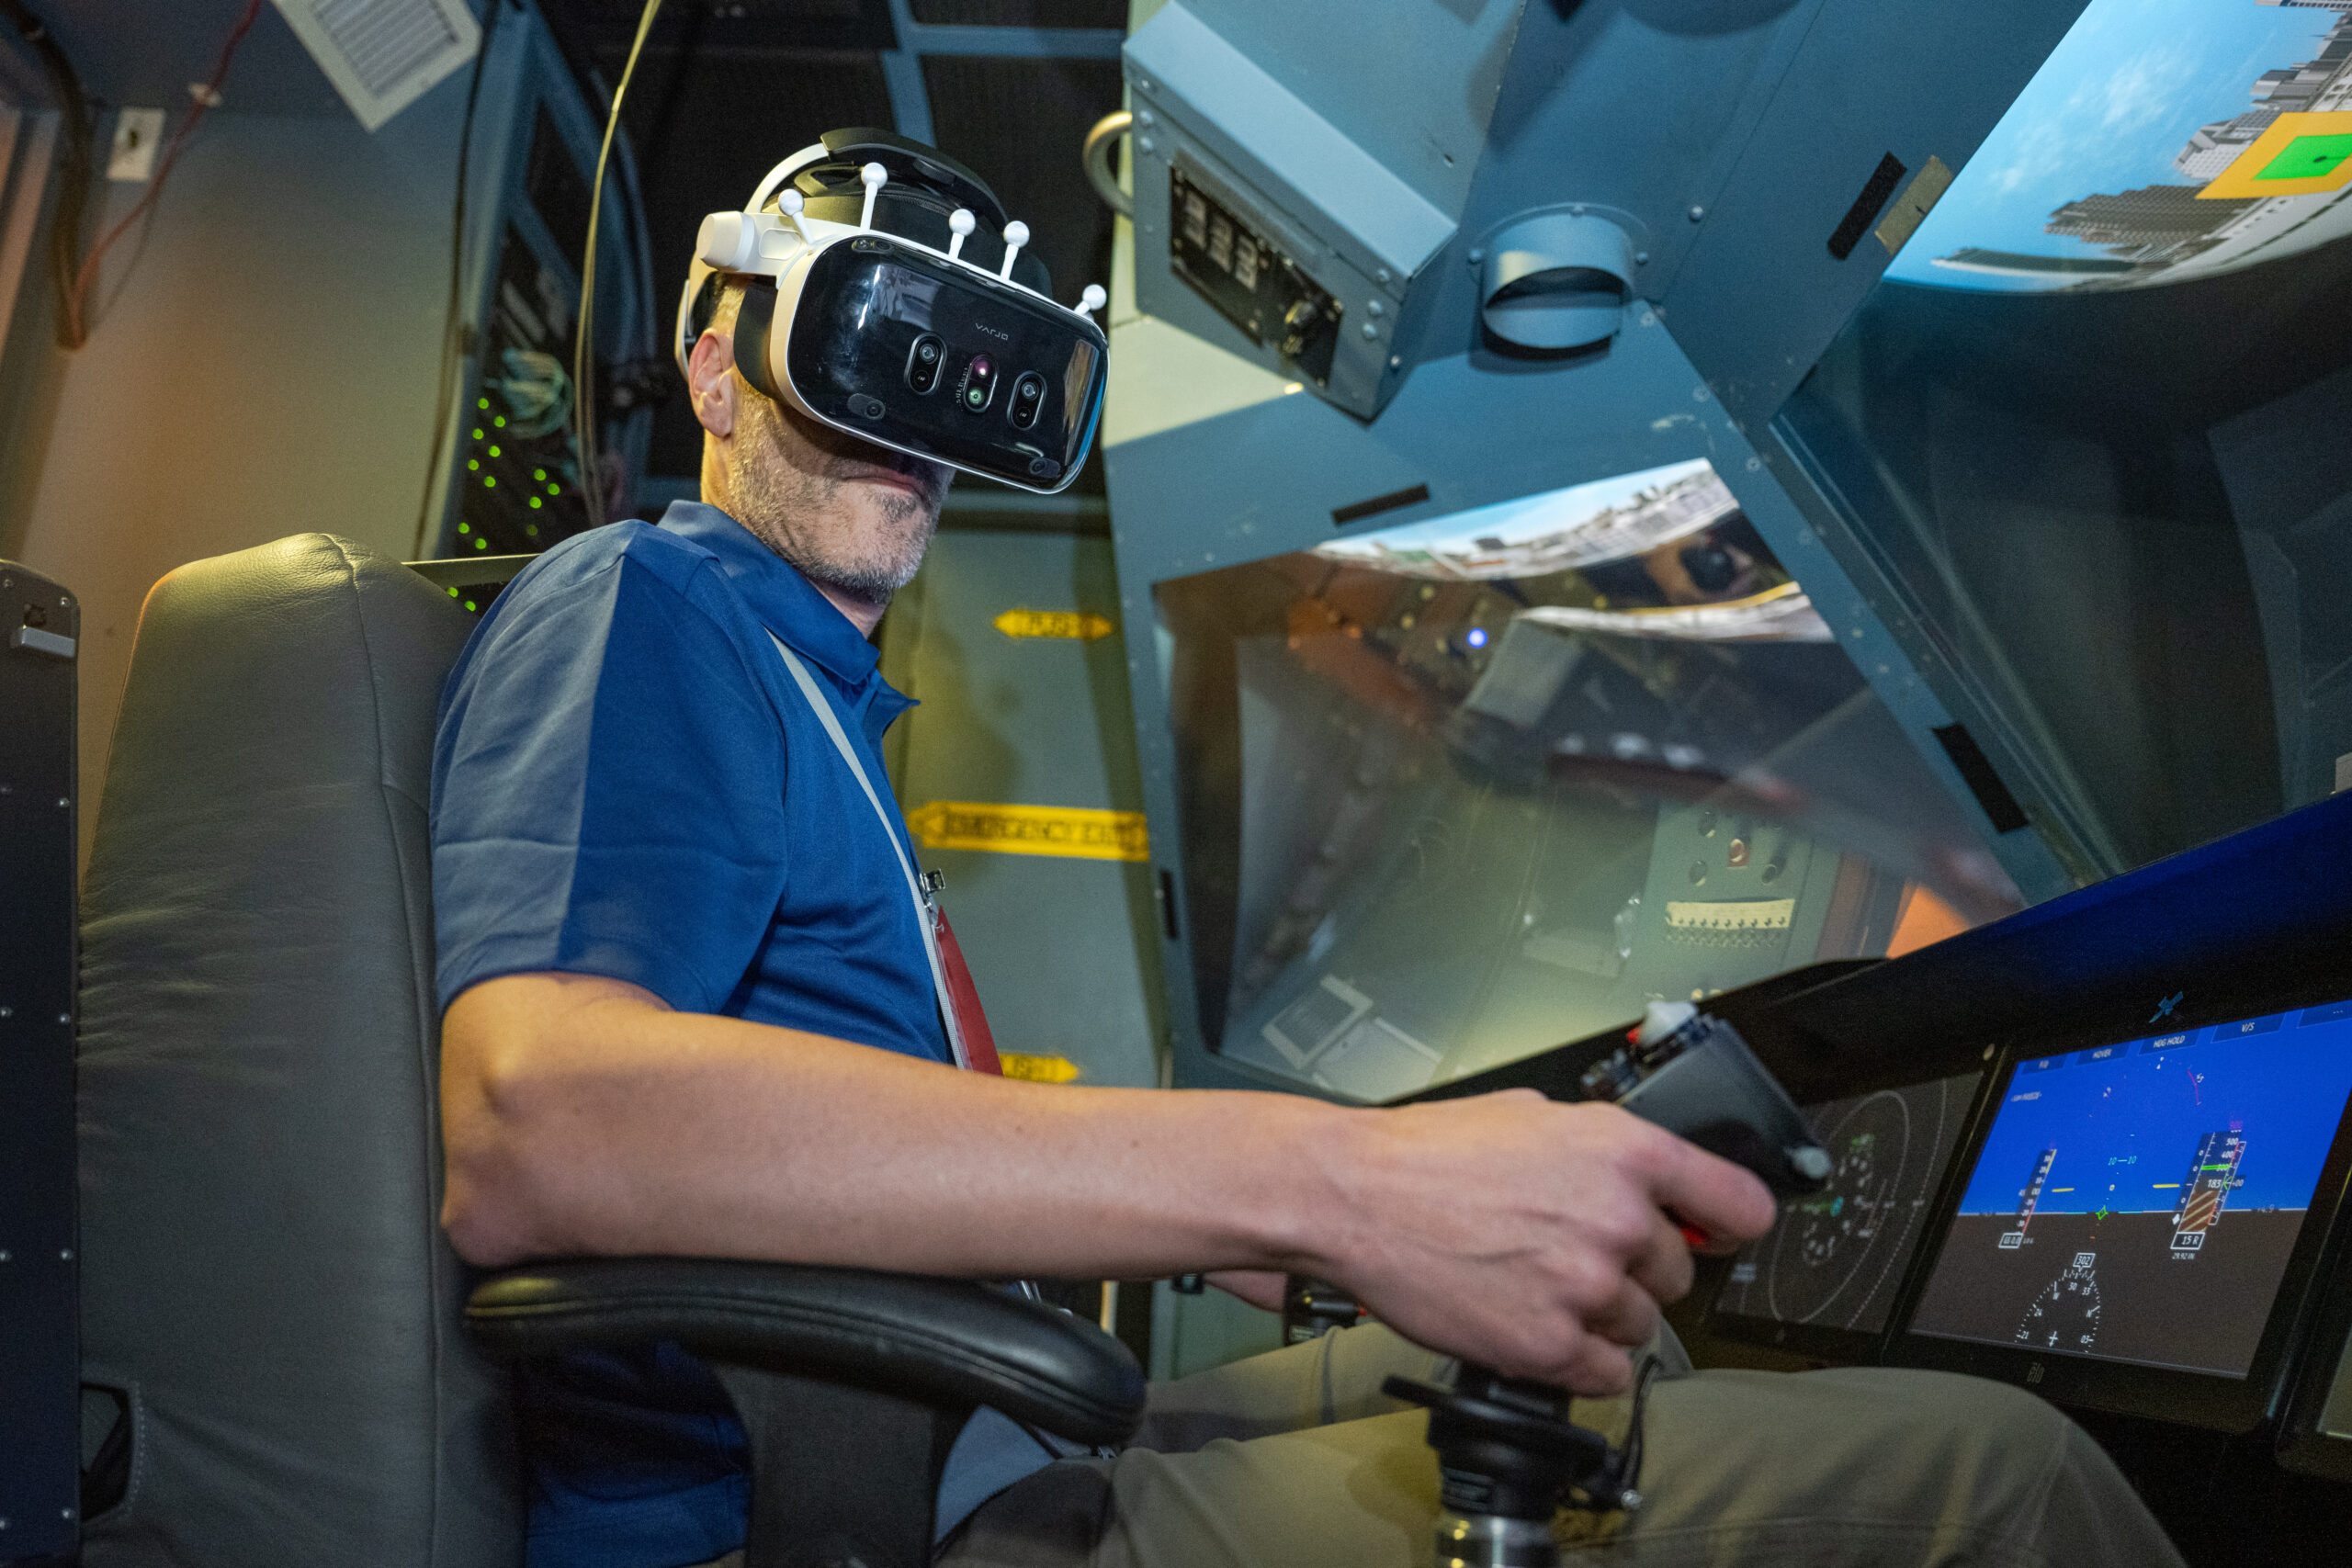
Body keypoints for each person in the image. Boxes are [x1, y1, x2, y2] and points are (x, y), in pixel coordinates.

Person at [429, 263, 2188, 1568]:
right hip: (834, 1520)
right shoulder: (649, 599)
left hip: (939, 1448)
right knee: (1997, 1480)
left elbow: (821, 1144)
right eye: (860, 353)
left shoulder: (822, 701)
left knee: (1595, 1352)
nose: (912, 425)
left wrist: (1262, 1233)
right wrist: (1324, 1180)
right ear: (714, 361)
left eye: (966, 379)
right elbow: (534, 1121)